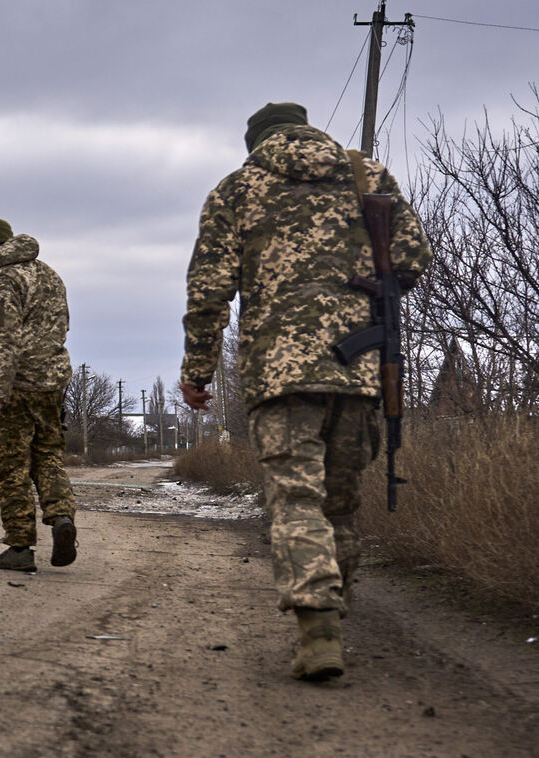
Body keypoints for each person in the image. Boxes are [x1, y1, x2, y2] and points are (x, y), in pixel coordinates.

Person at [179, 103, 431, 680]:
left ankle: (319, 630)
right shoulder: (367, 176)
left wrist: (197, 371)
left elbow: (209, 292)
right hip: (361, 369)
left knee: (295, 500)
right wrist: (363, 287)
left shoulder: (237, 188)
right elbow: (415, 259)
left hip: (280, 375)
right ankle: (335, 613)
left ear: (256, 143)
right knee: (339, 504)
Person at [0, 217, 77, 572]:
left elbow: (3, 341)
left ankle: (19, 547)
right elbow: (59, 328)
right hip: (52, 385)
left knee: (9, 466)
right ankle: (62, 517)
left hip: (17, 387)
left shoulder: (4, 279)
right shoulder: (49, 275)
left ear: (1, 245)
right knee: (47, 456)